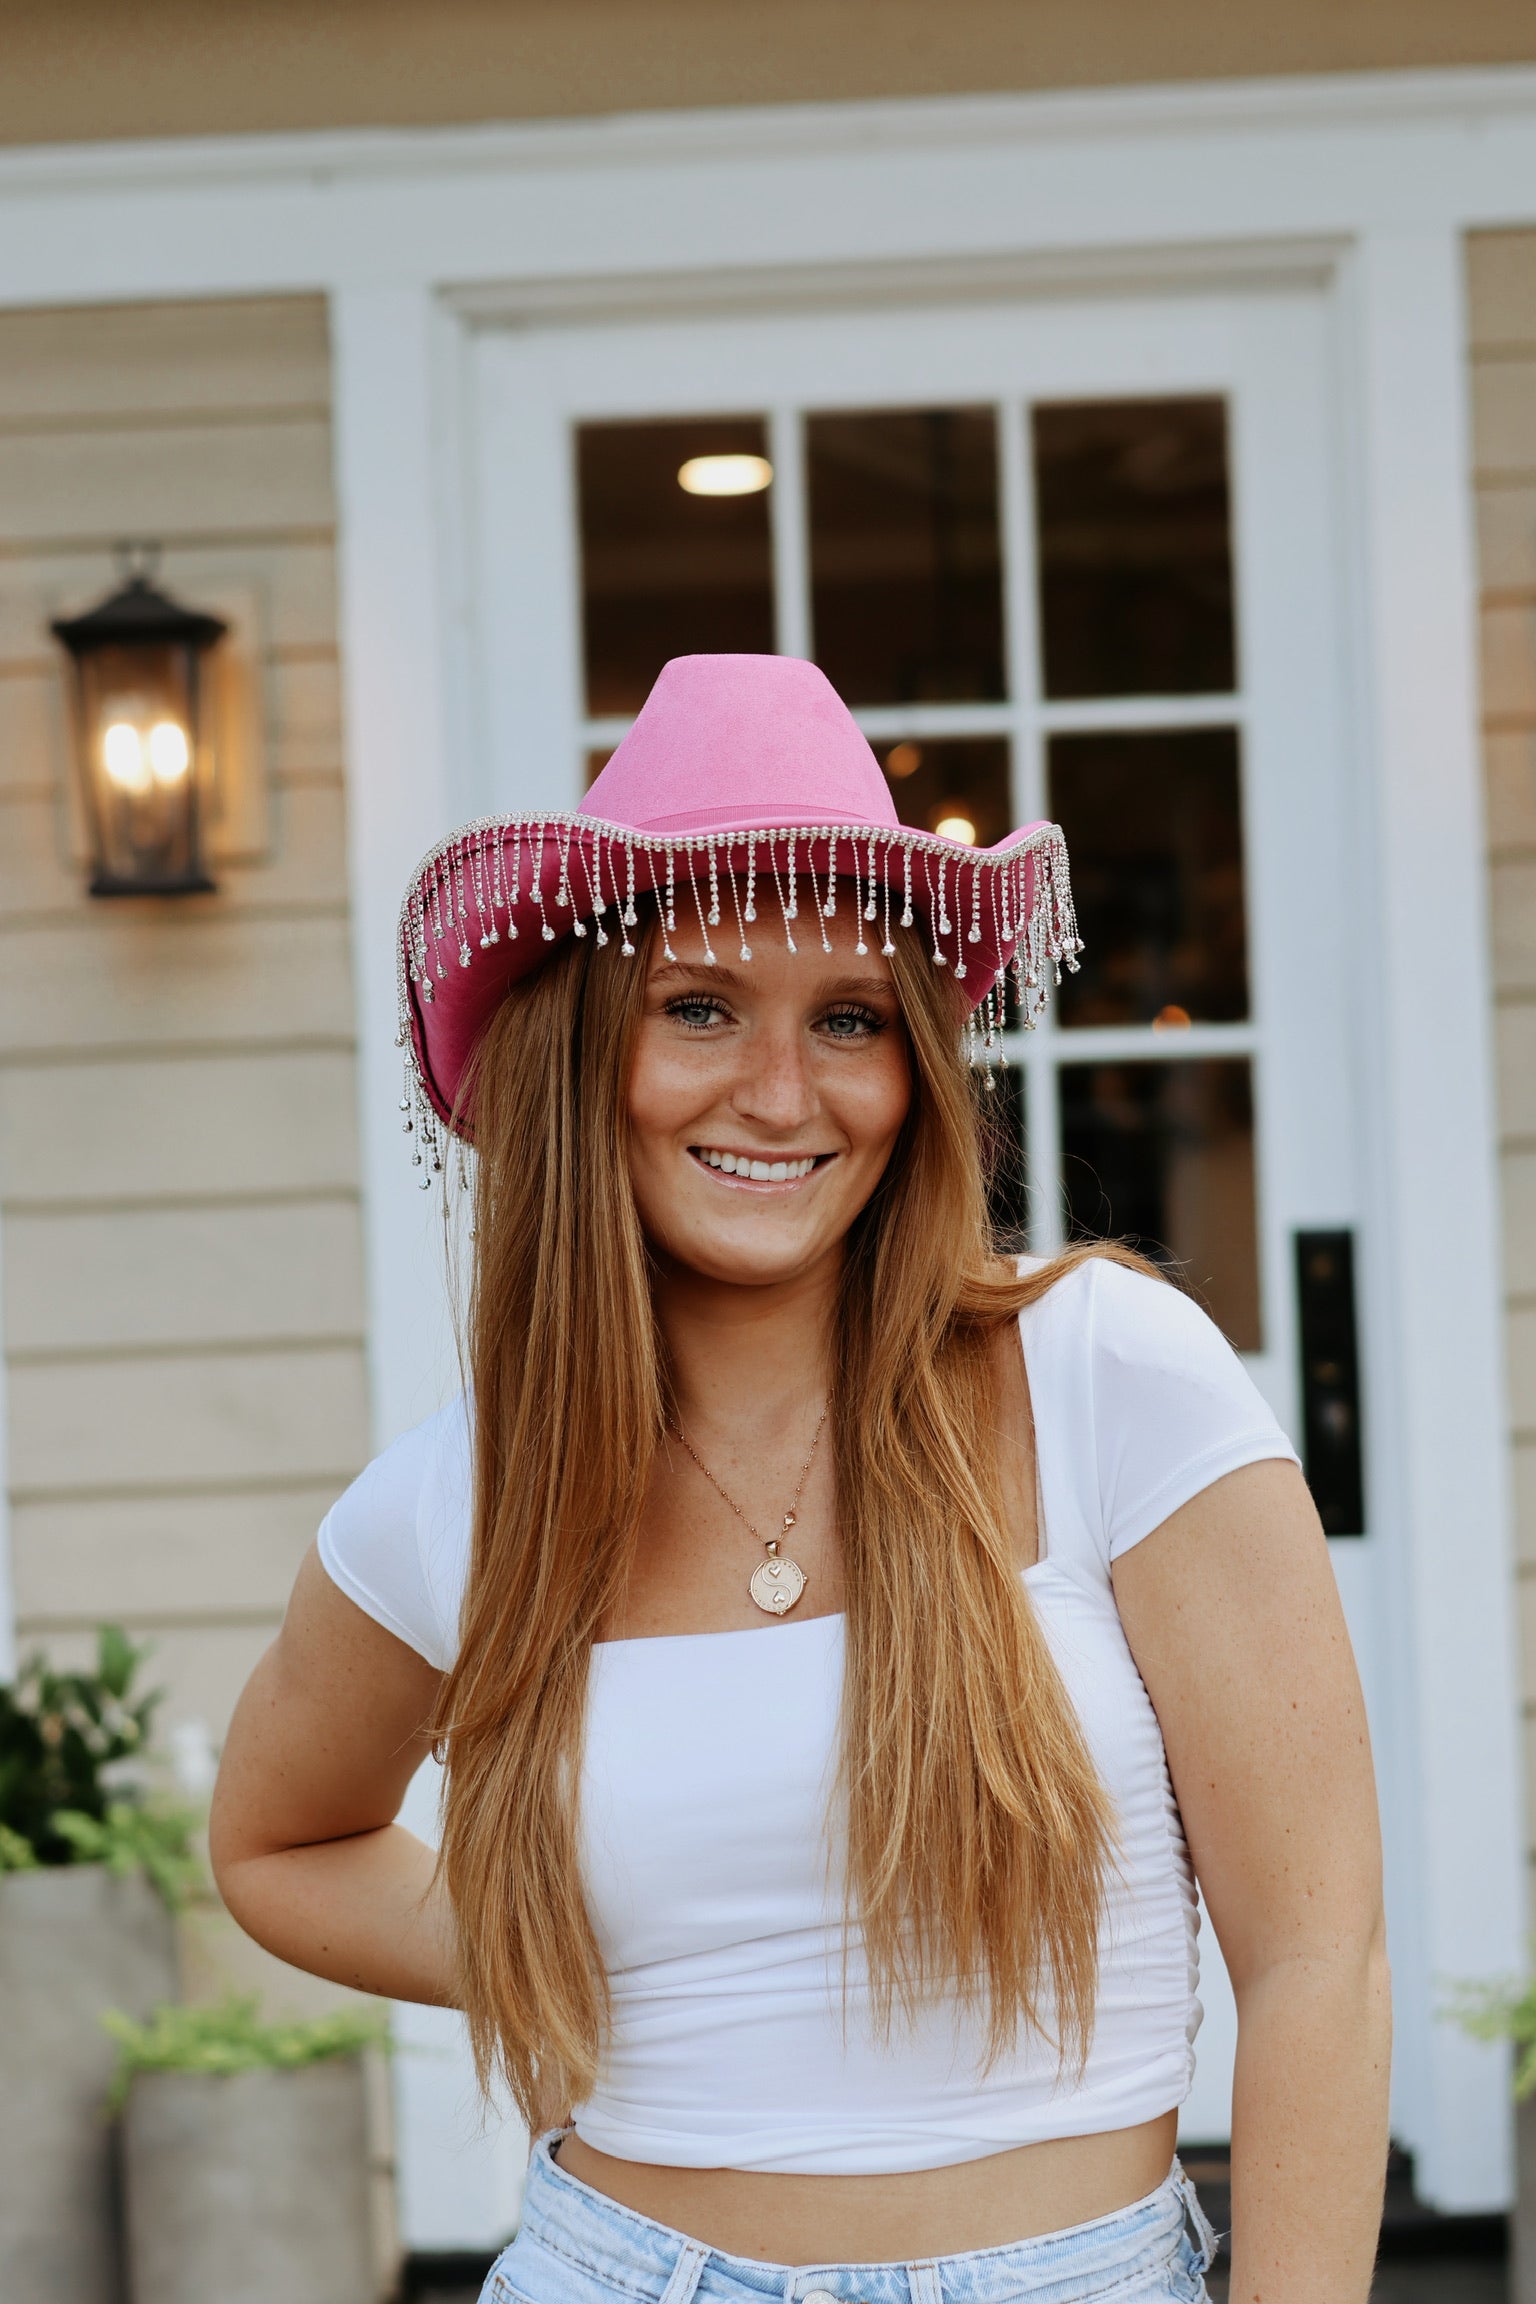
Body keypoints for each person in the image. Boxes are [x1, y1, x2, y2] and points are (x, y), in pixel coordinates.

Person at [210, 654, 1390, 2304]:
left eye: (848, 1020)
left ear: (913, 1069)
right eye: (699, 1007)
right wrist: (577, 1949)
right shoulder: (461, 1499)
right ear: (580, 1053)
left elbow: (1316, 1957)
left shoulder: (1114, 1376)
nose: (782, 1093)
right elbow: (276, 1843)